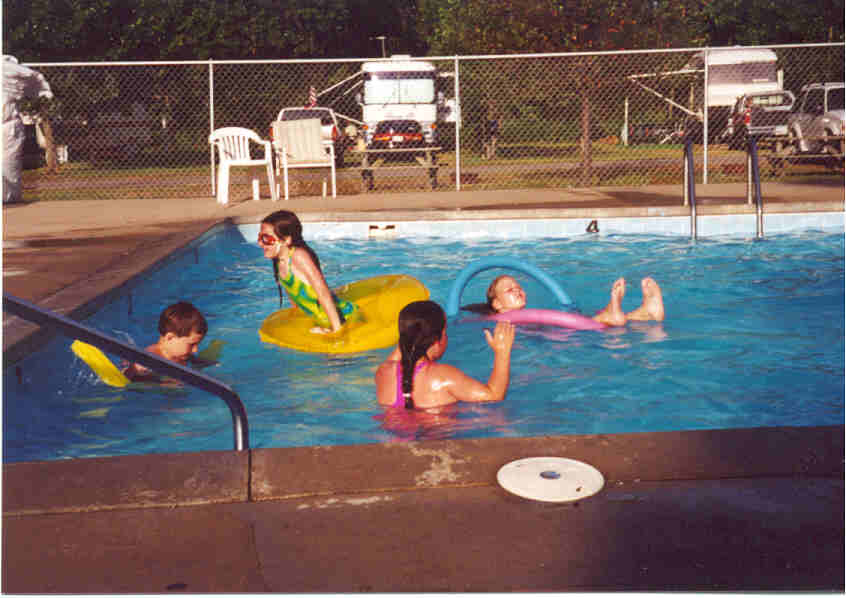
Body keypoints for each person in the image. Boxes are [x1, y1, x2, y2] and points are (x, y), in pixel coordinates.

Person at [375, 300, 515, 410]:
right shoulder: (444, 376)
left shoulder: (383, 372)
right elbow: (494, 396)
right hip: (435, 441)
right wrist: (502, 352)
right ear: (437, 341)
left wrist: (410, 336)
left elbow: (399, 352)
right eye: (445, 332)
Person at [258, 209, 358, 333]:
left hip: (346, 319)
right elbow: (292, 292)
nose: (260, 243)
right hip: (321, 320)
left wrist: (337, 330)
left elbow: (323, 292)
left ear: (286, 240)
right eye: (260, 237)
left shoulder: (299, 257)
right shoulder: (279, 260)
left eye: (266, 238)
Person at [480, 274, 665, 326]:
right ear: (497, 304)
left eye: (519, 287)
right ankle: (619, 313)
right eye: (510, 290)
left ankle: (644, 313)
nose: (518, 291)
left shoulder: (529, 318)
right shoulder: (496, 323)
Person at [123, 301, 209, 381]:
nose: (195, 350)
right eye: (192, 344)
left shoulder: (181, 355)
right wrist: (132, 369)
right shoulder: (150, 359)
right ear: (170, 337)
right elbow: (125, 377)